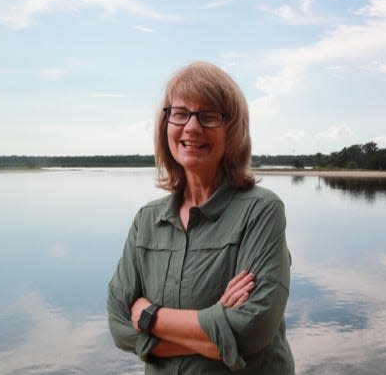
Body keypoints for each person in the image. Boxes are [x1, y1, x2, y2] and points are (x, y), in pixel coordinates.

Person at [107, 61, 295, 373]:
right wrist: (214, 333)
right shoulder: (147, 220)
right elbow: (119, 326)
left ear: (232, 130)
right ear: (166, 124)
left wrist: (148, 316)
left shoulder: (261, 211)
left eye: (209, 116)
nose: (192, 127)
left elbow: (253, 328)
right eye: (180, 113)